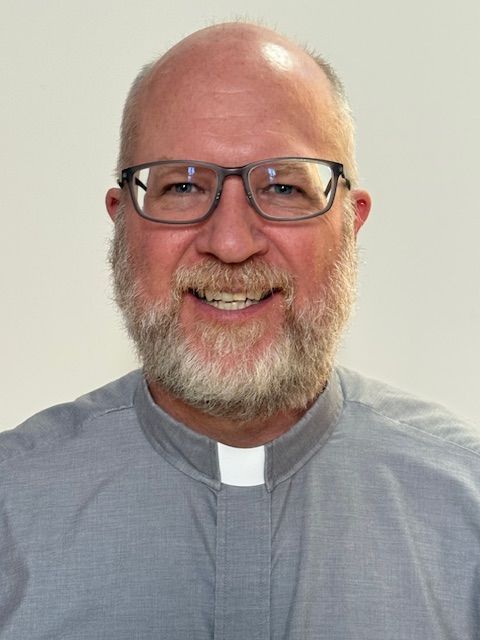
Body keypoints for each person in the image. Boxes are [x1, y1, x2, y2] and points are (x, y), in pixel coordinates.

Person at [1, 22, 479, 640]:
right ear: (122, 223)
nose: (230, 243)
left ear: (350, 222)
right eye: (181, 186)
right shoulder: (11, 510)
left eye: (283, 187)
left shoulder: (467, 510)